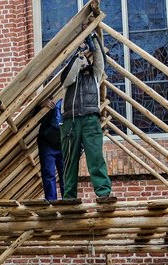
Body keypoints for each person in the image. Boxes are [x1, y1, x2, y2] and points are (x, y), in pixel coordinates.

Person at [60, 32, 115, 203]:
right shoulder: (69, 79)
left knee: (95, 157)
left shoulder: (95, 75)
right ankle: (69, 196)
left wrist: (93, 40)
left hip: (91, 119)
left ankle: (103, 192)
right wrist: (79, 55)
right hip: (71, 120)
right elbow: (68, 76)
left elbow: (100, 59)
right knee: (70, 160)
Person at [37, 98, 64, 201]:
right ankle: (51, 201)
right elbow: (36, 118)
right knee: (48, 173)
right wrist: (41, 106)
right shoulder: (51, 96)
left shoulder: (72, 96)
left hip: (64, 142)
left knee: (66, 175)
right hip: (47, 142)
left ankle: (68, 201)